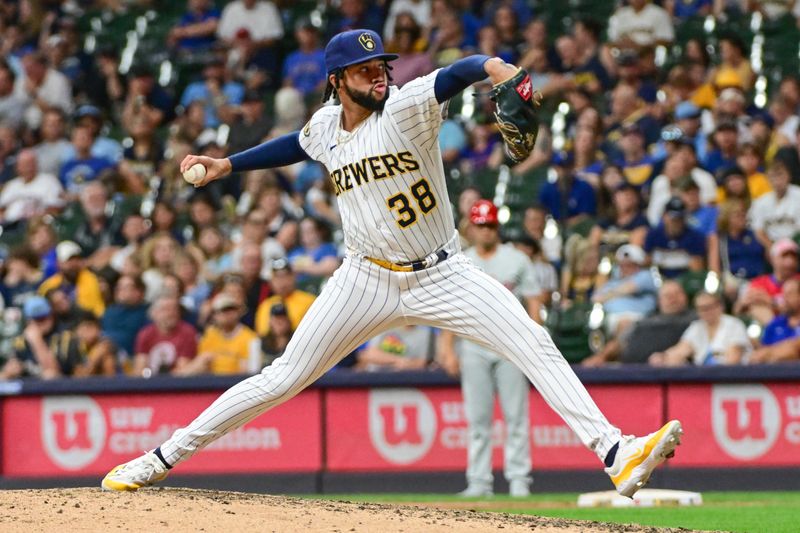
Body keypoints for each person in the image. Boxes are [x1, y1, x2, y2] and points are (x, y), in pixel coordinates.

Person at [102, 29, 682, 498]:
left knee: (533, 341)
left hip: (442, 272)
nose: (379, 75)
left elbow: (458, 72)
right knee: (280, 379)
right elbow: (295, 145)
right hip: (365, 278)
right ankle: (161, 457)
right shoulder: (327, 124)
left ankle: (615, 451)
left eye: (381, 65)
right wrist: (228, 164)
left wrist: (500, 70)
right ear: (337, 81)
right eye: (365, 71)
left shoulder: (405, 107)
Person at [438, 200, 540, 498]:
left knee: (516, 416)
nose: (485, 231)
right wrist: (447, 347)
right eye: (480, 225)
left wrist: (533, 338)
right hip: (473, 344)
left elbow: (534, 301)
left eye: (490, 225)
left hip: (510, 345)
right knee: (478, 419)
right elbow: (448, 309)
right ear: (470, 228)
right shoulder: (459, 261)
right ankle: (479, 482)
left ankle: (519, 480)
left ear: (498, 227)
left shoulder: (517, 259)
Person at [649, 291, 750, 366]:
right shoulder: (697, 327)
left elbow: (733, 359)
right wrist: (663, 357)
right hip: (704, 378)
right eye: (701, 309)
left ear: (720, 306)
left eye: (709, 307)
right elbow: (681, 349)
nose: (706, 312)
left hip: (733, 378)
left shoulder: (733, 324)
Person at [175, 293, 261, 376]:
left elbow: (247, 372)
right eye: (223, 310)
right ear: (215, 315)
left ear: (238, 312)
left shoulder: (250, 338)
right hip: (211, 383)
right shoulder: (210, 334)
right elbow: (202, 364)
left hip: (234, 384)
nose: (227, 314)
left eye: (231, 309)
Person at [132, 295, 198, 377]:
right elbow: (140, 369)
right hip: (149, 383)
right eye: (166, 309)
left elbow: (183, 369)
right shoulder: (145, 333)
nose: (171, 313)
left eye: (175, 309)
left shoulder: (187, 332)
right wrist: (148, 377)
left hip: (177, 385)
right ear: (154, 314)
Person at [644, 197, 706, 279]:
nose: (677, 222)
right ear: (664, 216)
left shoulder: (695, 237)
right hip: (658, 280)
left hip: (685, 281)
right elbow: (646, 264)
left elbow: (696, 271)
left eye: (680, 218)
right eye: (673, 218)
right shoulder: (653, 235)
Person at [357, 324, 435, 371]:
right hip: (375, 377)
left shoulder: (425, 333)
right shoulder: (384, 326)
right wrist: (398, 360)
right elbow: (370, 354)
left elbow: (421, 363)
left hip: (407, 380)